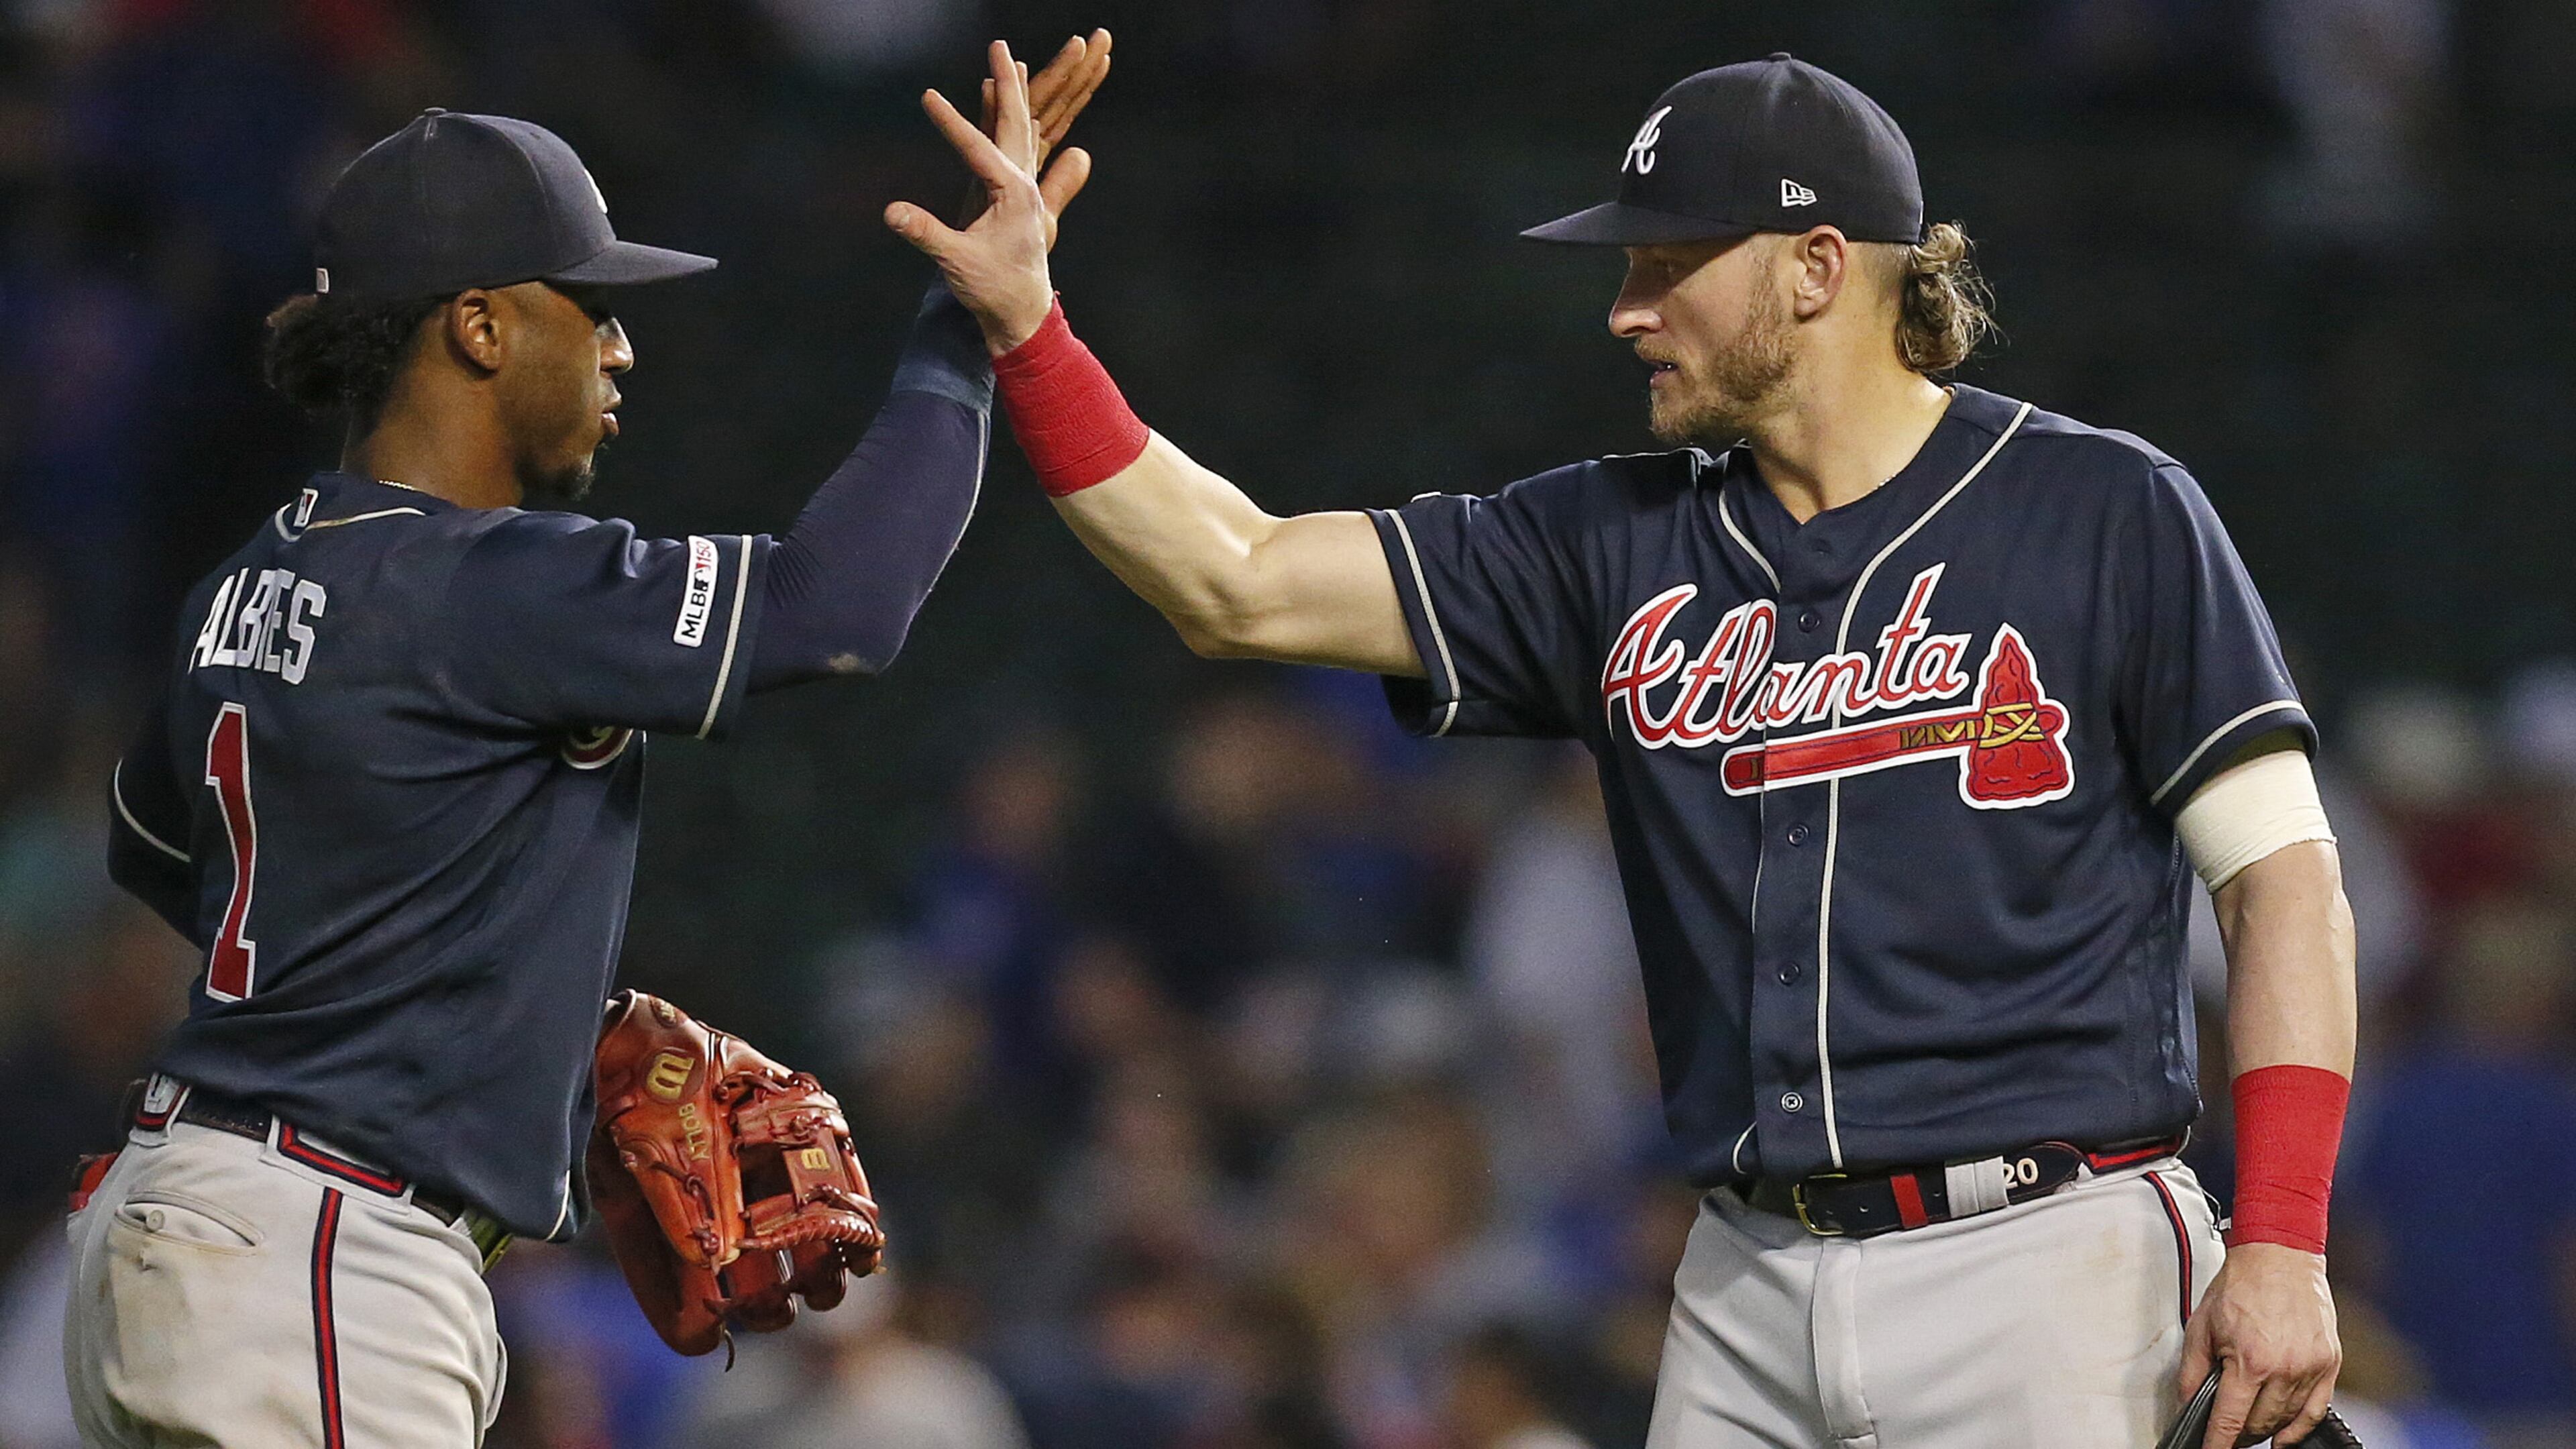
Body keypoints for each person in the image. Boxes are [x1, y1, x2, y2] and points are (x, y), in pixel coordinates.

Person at [890, 51, 2356, 1449]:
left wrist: (2284, 1239)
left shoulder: (2106, 511)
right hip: (1742, 1277)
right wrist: (1031, 327)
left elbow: (2283, 885)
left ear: (1817, 267)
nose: (1627, 309)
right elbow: (1242, 579)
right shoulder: (1608, 541)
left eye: (1667, 265)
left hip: (2046, 1259)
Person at [68, 36, 1109, 1448]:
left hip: (192, 1220)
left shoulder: (252, 578)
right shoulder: (490, 583)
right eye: (591, 306)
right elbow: (839, 609)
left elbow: (155, 849)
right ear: (482, 327)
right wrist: (966, 323)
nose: (621, 344)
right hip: (320, 1249)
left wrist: (511, 1000)